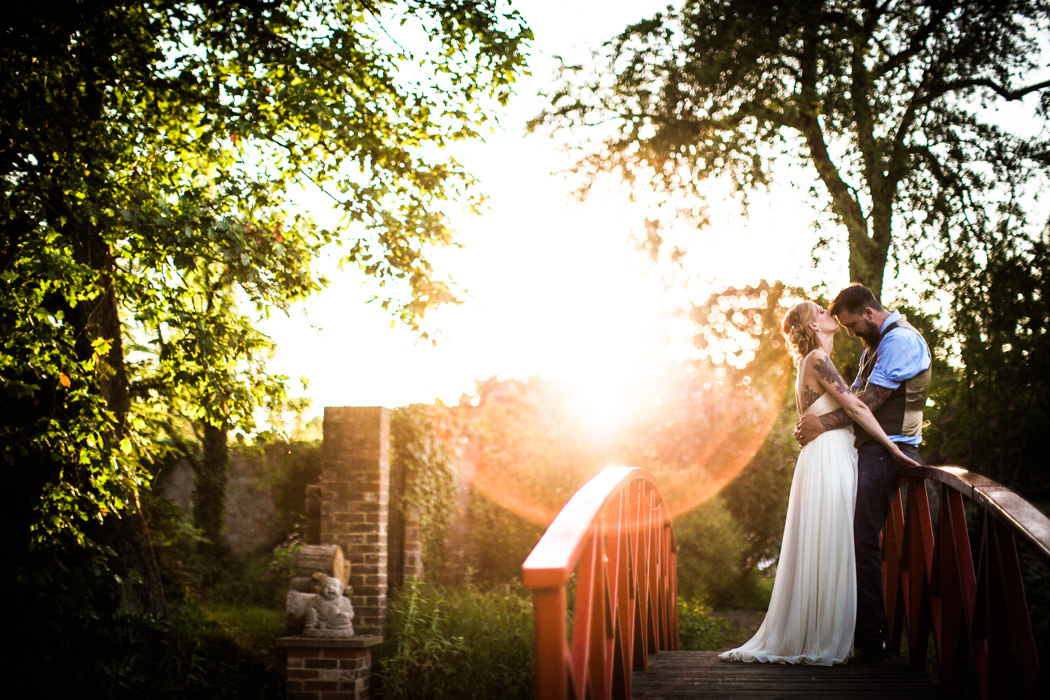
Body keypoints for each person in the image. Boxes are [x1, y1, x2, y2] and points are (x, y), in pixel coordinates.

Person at [720, 300, 919, 666]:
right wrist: (893, 447)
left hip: (825, 455)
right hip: (828, 457)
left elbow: (845, 409)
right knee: (838, 537)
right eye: (822, 313)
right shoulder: (816, 360)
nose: (831, 315)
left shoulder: (808, 362)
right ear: (813, 326)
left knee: (833, 538)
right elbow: (859, 408)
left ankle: (829, 631)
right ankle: (831, 636)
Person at [795, 283, 932, 662]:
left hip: (889, 450)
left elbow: (867, 403)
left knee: (859, 536)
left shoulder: (900, 341)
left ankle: (874, 641)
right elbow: (855, 396)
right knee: (850, 534)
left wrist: (822, 424)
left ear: (869, 314)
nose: (850, 332)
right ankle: (858, 634)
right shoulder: (873, 348)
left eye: (853, 324)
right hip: (867, 449)